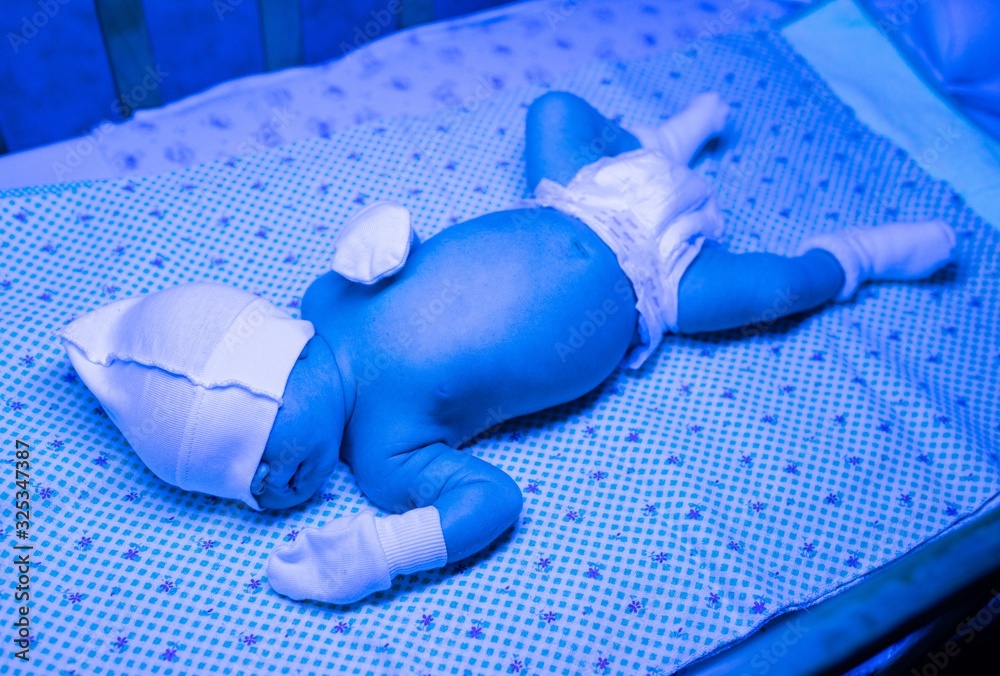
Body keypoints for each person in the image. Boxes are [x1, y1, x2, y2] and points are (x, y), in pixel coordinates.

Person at [58, 91, 956, 604]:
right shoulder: (384, 459)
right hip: (659, 287)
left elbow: (388, 230)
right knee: (775, 290)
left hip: (574, 197)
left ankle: (665, 143)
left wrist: (382, 230)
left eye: (246, 450)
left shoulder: (326, 296)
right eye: (236, 489)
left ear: (267, 364)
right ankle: (866, 257)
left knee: (553, 104)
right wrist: (381, 555)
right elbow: (494, 499)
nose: (261, 490)